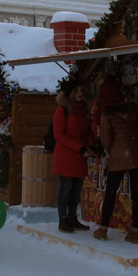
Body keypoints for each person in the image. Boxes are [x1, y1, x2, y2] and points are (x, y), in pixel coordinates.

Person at [93, 75, 138, 244]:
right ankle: (135, 231)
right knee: (136, 194)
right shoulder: (131, 110)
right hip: (137, 152)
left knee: (110, 192)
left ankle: (103, 228)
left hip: (119, 155)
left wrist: (110, 151)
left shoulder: (106, 113)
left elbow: (107, 139)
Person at [51, 79, 94, 233]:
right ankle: (63, 219)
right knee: (66, 188)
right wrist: (80, 148)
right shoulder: (62, 110)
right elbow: (59, 135)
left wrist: (90, 145)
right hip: (66, 156)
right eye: (76, 91)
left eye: (81, 91)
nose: (80, 94)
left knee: (76, 190)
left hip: (79, 156)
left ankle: (72, 217)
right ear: (70, 93)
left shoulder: (83, 110)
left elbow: (87, 131)